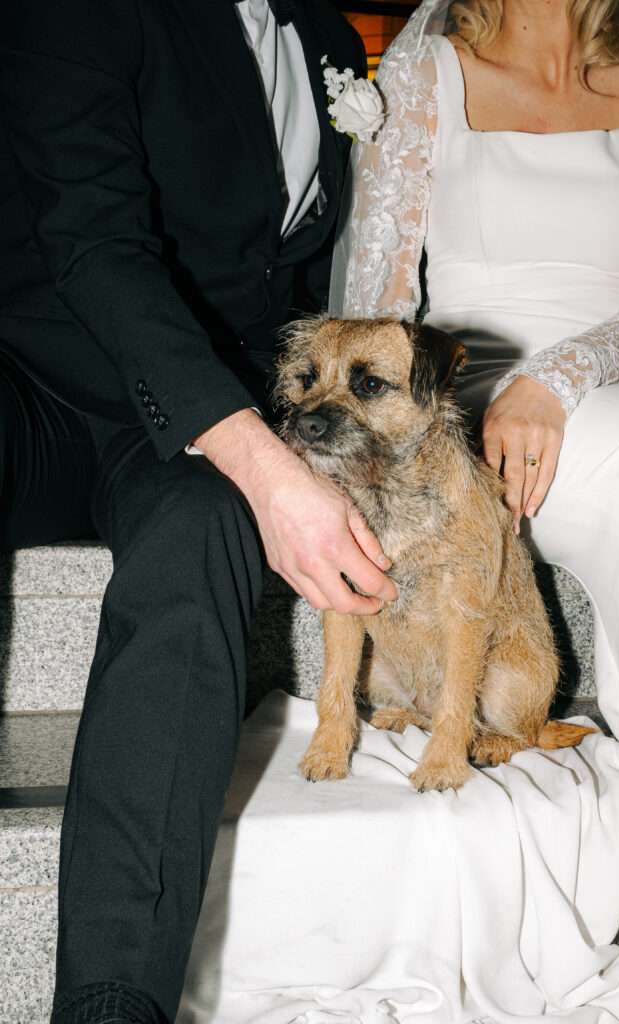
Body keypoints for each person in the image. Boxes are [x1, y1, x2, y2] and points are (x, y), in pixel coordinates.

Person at [0, 2, 399, 1022]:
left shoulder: (325, 37)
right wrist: (268, 469)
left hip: (178, 422)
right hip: (35, 371)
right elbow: (91, 241)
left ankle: (111, 1003)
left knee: (203, 527)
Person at [328, 0, 619, 1020]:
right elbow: (375, 298)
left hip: (610, 387)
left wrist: (562, 377)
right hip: (464, 416)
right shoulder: (427, 64)